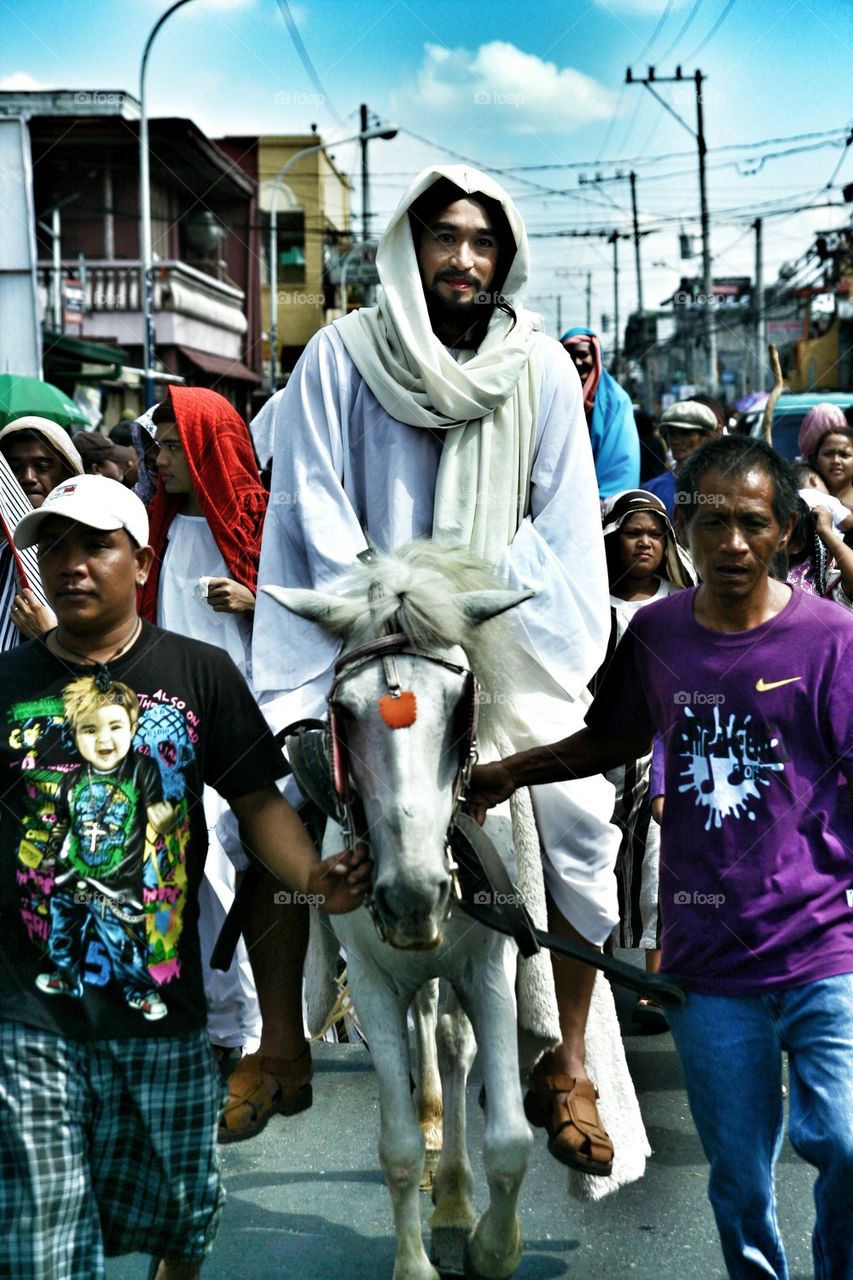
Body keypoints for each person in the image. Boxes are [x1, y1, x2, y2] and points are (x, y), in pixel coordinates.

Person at [250, 165, 623, 1175]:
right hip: (362, 629)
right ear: (405, 247)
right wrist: (388, 595)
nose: (464, 258)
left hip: (499, 635)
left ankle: (567, 1063)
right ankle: (280, 1039)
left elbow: (560, 522)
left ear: (504, 256)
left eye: (481, 241)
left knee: (582, 815)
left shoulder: (539, 367)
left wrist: (465, 596)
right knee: (272, 799)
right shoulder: (339, 354)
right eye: (444, 237)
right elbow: (312, 500)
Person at [467, 435, 853, 1280]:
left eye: (751, 523)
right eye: (709, 523)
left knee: (847, 1146)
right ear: (684, 530)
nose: (731, 544)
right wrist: (502, 772)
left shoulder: (831, 640)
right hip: (707, 966)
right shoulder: (657, 634)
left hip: (823, 949)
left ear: (786, 531)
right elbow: (611, 736)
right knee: (742, 1180)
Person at [0, 473, 368, 1279]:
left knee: (179, 1217)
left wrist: (315, 875)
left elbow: (257, 802)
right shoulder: (7, 685)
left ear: (141, 560)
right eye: (54, 548)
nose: (72, 566)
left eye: (96, 545)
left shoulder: (196, 672)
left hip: (161, 1007)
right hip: (27, 1014)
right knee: (43, 1239)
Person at [140, 386, 269, 1076]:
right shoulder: (152, 530)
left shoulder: (260, 521)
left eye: (170, 446)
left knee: (220, 866)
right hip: (160, 731)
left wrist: (258, 600)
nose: (159, 460)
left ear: (205, 446)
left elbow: (314, 618)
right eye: (156, 447)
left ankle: (239, 1027)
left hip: (243, 731)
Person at [594, 491, 693, 1031]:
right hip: (599, 753)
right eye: (633, 532)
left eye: (655, 532)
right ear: (613, 539)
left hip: (665, 750)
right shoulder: (593, 606)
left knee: (658, 866)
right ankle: (600, 980)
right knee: (597, 861)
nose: (645, 542)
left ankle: (654, 983)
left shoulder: (682, 603)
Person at [0, 415, 83, 647]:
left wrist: (47, 634)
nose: (27, 478)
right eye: (14, 468)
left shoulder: (89, 548)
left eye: (43, 467)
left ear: (67, 475)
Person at [560, 326, 640, 498]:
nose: (577, 362)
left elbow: (622, 464)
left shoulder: (617, 400)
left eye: (583, 355)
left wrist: (597, 500)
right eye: (569, 355)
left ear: (596, 357)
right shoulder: (551, 397)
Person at [643, 399, 723, 517]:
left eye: (685, 433)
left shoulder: (723, 485)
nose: (676, 441)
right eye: (672, 433)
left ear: (707, 436)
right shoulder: (653, 490)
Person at [798, 402, 853, 511]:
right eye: (828, 454)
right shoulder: (805, 483)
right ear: (817, 458)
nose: (836, 460)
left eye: (844, 455)